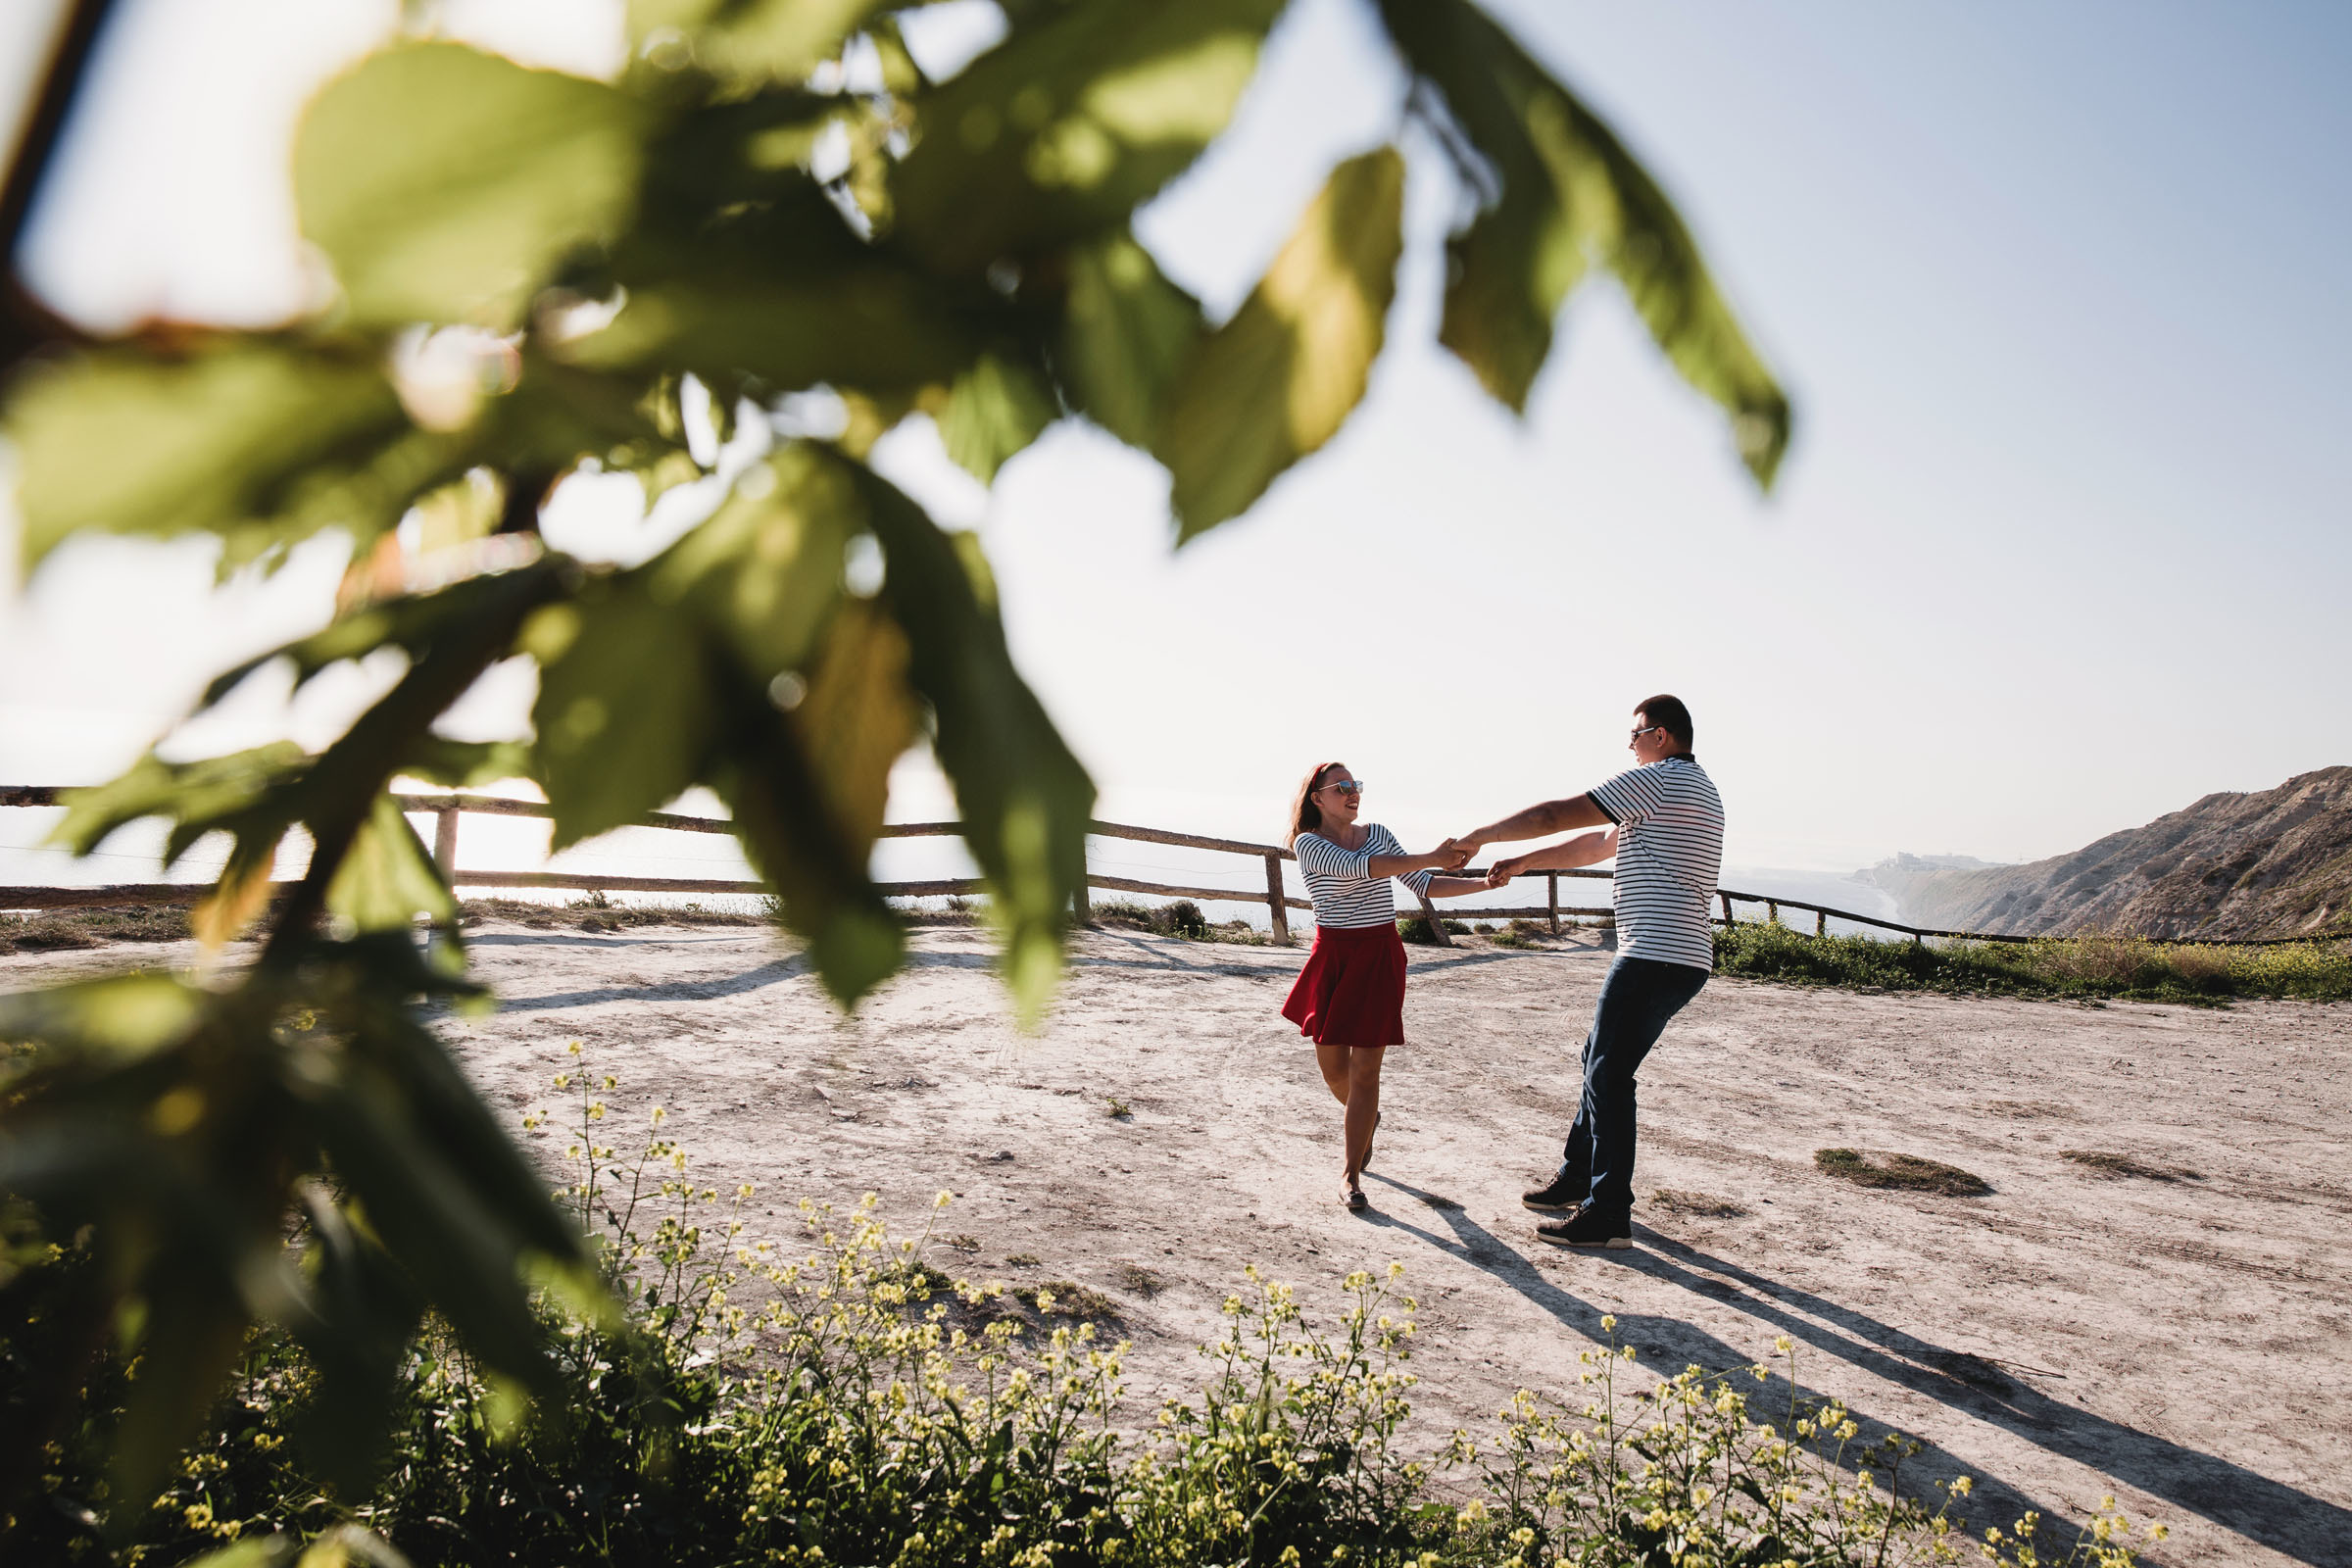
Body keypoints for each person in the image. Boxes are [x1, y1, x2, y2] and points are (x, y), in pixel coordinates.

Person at [1456, 696, 1724, 1250]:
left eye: (1636, 735)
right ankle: (1579, 1177)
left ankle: (1608, 1214)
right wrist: (1525, 862)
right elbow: (1599, 843)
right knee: (1598, 1061)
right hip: (1679, 956)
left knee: (1608, 1074)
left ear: (1661, 735)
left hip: (1655, 953)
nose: (1630, 746)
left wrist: (1482, 835)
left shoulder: (1661, 779)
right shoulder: (1692, 788)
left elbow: (1558, 814)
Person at [1282, 761, 1486, 1211]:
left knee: (1365, 1071)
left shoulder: (1379, 834)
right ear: (1318, 798)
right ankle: (1367, 1117)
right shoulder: (1308, 844)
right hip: (1334, 956)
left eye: (1355, 785)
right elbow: (1362, 868)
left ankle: (1350, 1174)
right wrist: (1431, 855)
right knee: (1334, 1069)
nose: (1352, 792)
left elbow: (1423, 883)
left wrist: (1484, 884)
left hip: (1379, 956)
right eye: (1342, 787)